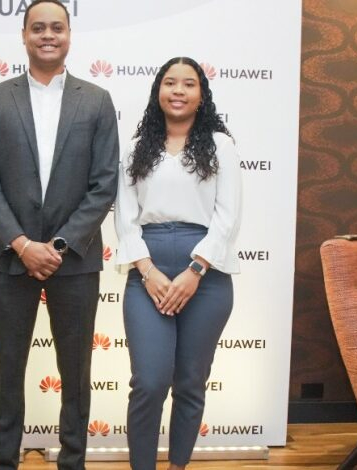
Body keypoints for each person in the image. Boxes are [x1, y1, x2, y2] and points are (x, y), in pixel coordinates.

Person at [0, 1, 119, 468]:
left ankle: (72, 461)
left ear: (69, 35)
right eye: (38, 28)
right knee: (6, 371)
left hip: (74, 260)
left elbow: (104, 184)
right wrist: (21, 243)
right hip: (9, 257)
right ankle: (3, 462)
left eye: (57, 27)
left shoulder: (96, 100)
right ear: (23, 35)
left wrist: (55, 246)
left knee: (76, 373)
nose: (48, 35)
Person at [114, 57, 242, 470]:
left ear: (202, 95)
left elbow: (228, 215)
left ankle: (178, 465)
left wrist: (196, 270)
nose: (179, 91)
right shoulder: (136, 147)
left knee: (190, 382)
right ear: (158, 91)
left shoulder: (220, 145)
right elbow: (125, 217)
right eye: (170, 83)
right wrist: (148, 272)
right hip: (147, 272)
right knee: (149, 382)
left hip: (206, 275)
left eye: (189, 84)